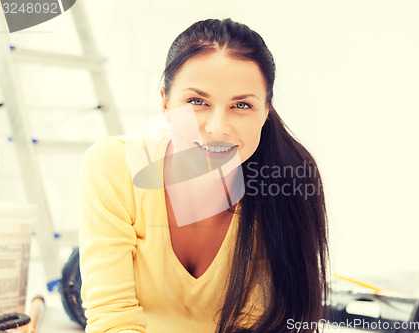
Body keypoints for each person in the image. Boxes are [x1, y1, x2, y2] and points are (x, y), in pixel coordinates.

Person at [78, 18, 329, 333]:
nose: (218, 128)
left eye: (241, 105)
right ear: (166, 104)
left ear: (266, 111)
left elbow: (258, 324)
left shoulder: (287, 186)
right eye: (197, 101)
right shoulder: (114, 164)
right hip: (96, 284)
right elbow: (111, 318)